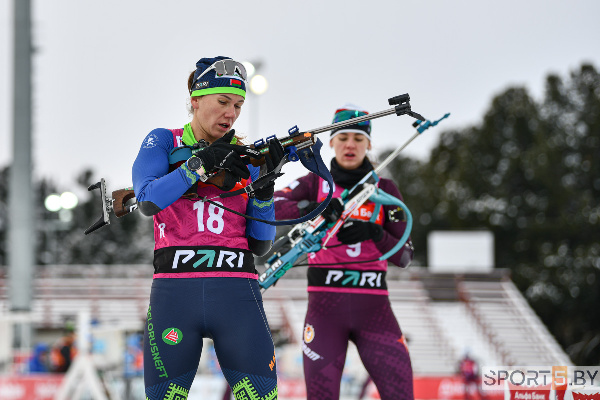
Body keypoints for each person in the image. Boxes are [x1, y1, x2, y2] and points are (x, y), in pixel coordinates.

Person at [132, 56, 283, 400]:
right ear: (196, 99)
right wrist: (196, 167)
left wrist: (264, 193)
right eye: (223, 102)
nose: (231, 113)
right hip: (175, 295)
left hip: (237, 293)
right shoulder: (164, 141)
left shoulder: (246, 159)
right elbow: (148, 201)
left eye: (239, 105)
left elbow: (260, 245)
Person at [273, 104, 415, 400]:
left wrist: (375, 233)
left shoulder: (385, 187)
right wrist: (312, 208)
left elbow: (403, 257)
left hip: (374, 309)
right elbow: (270, 205)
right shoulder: (316, 183)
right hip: (326, 309)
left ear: (369, 144)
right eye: (344, 137)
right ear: (333, 142)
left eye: (359, 138)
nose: (351, 144)